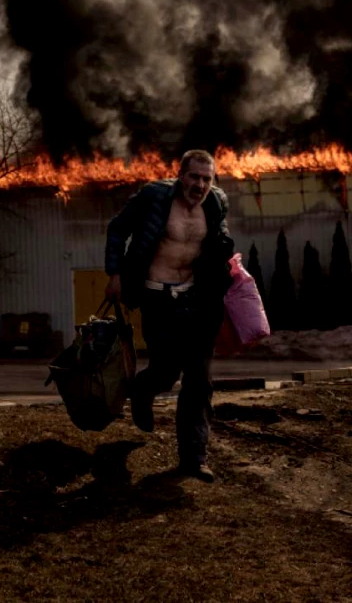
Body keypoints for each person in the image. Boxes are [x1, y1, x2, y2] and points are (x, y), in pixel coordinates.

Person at [103, 149, 233, 481]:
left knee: (199, 381)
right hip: (157, 297)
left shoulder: (216, 203)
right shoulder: (154, 197)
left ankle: (194, 458)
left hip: (197, 300)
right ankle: (143, 390)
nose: (200, 184)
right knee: (165, 371)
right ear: (180, 175)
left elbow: (219, 242)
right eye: (194, 176)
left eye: (207, 178)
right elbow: (118, 229)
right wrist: (115, 274)